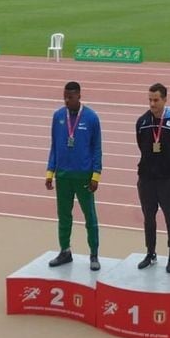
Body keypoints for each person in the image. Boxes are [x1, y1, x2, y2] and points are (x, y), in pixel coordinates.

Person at [45, 81, 103, 271]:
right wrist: (49, 172)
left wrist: (96, 175)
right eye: (64, 97)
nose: (66, 100)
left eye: (70, 97)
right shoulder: (58, 116)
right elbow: (54, 145)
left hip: (84, 176)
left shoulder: (92, 118)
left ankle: (94, 254)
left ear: (79, 95)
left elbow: (97, 148)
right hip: (63, 175)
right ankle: (65, 251)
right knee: (63, 216)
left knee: (90, 217)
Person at [135, 83, 170, 273]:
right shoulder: (142, 122)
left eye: (156, 100)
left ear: (165, 99)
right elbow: (141, 146)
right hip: (146, 179)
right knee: (149, 218)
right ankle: (151, 253)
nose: (152, 104)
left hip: (167, 180)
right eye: (150, 100)